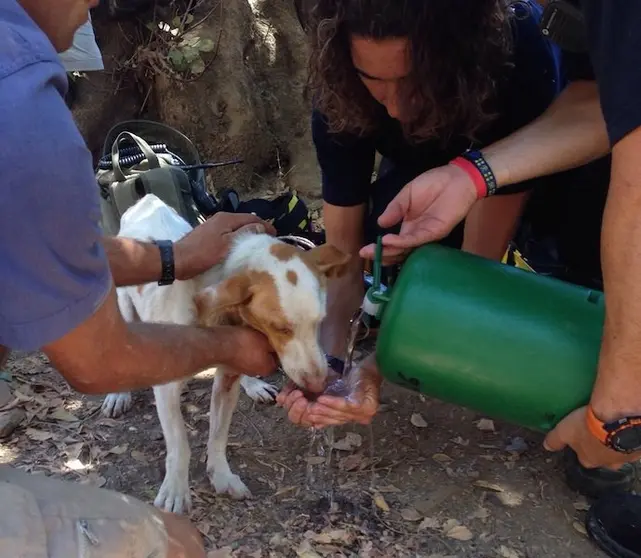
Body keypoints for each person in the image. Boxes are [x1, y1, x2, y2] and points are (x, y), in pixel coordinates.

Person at [279, 0, 641, 475]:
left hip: (548, 171)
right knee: (385, 250)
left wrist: (616, 418)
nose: (396, 106)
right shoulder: (340, 91)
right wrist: (331, 362)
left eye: (413, 81)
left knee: (569, 254)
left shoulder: (517, 54)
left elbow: (470, 278)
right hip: (442, 176)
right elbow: (344, 255)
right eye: (375, 82)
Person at [0, 1, 278, 557]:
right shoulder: (24, 107)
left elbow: (45, 246)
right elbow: (100, 360)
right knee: (178, 544)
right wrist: (234, 348)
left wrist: (173, 257)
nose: (97, 4)